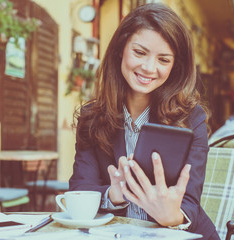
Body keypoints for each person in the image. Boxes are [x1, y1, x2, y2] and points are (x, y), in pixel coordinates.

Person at [69, 3, 219, 239]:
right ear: (121, 49)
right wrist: (114, 194)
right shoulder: (92, 118)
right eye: (139, 53)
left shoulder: (191, 118)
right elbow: (80, 190)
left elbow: (189, 201)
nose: (149, 68)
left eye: (164, 59)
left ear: (175, 66)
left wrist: (173, 216)